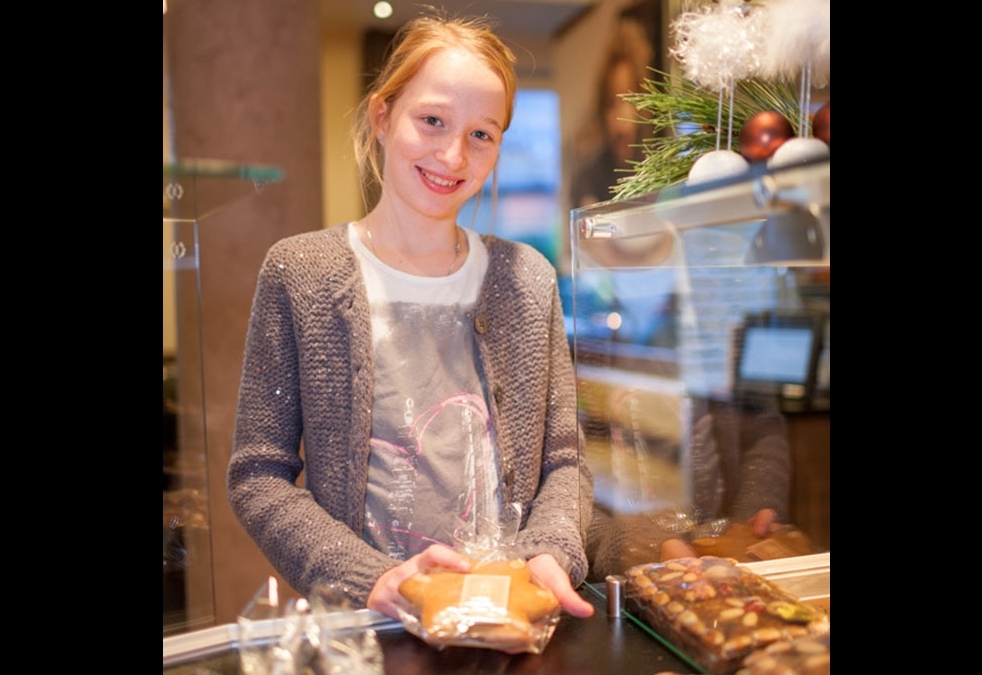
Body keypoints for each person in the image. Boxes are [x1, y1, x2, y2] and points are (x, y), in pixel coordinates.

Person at [227, 11, 595, 624]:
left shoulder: (528, 279)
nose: (453, 155)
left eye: (483, 134)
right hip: (369, 625)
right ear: (381, 116)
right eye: (432, 121)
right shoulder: (301, 271)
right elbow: (258, 475)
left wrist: (552, 550)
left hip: (509, 617)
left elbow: (563, 460)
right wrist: (373, 579)